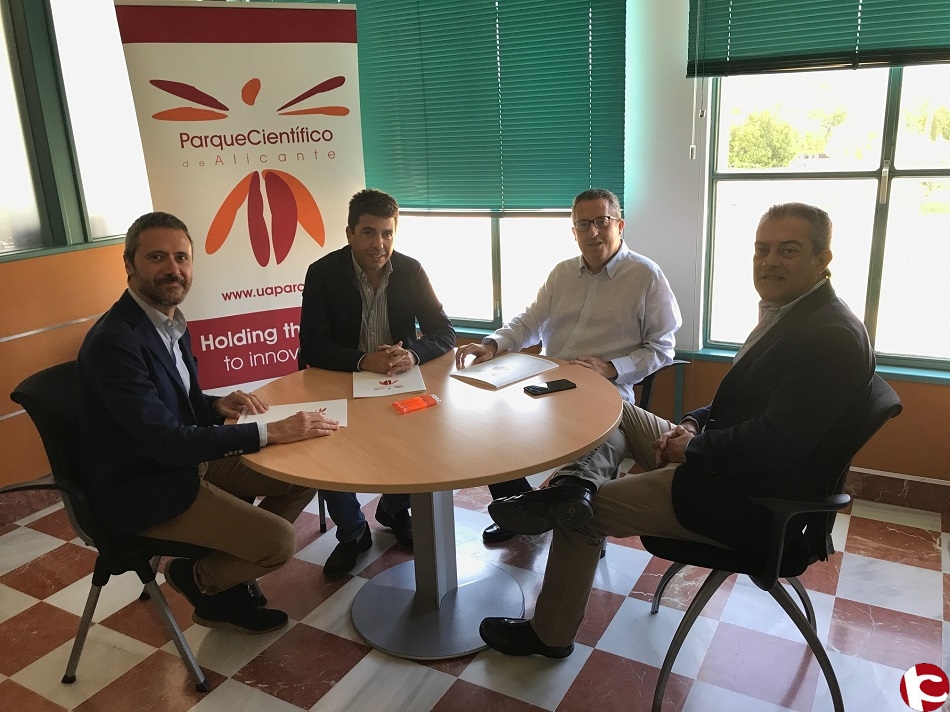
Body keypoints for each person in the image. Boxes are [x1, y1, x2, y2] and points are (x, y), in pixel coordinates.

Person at [478, 202, 875, 658]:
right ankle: (573, 486)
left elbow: (778, 444)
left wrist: (694, 449)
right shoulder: (794, 314)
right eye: (761, 249)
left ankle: (550, 633)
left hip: (746, 498)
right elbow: (742, 405)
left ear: (822, 258)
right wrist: (692, 422)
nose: (769, 262)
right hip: (726, 462)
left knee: (582, 515)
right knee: (615, 411)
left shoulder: (828, 336)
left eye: (788, 250)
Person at [78, 211, 339, 635]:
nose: (173, 269)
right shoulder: (114, 343)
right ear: (129, 264)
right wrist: (271, 431)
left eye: (181, 257)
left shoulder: (170, 323)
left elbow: (174, 405)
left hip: (181, 462)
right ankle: (200, 579)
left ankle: (226, 567)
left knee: (302, 474)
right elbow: (165, 441)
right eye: (157, 257)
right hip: (144, 487)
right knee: (278, 544)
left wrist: (215, 406)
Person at [455, 188, 681, 544]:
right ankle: (528, 507)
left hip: (606, 391)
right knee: (490, 426)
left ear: (619, 225)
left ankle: (572, 506)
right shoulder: (561, 273)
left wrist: (611, 367)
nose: (593, 232)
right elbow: (530, 321)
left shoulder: (646, 277)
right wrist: (492, 344)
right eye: (583, 224)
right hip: (547, 385)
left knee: (609, 433)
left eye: (602, 222)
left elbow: (663, 347)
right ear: (573, 231)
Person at [299, 188, 456, 576]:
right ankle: (353, 533)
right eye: (369, 232)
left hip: (395, 382)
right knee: (324, 449)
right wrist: (362, 360)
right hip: (339, 379)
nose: (379, 244)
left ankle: (393, 508)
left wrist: (412, 354)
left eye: (387, 233)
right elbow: (312, 345)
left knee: (427, 439)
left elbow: (444, 331)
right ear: (350, 233)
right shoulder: (322, 272)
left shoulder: (410, 270)